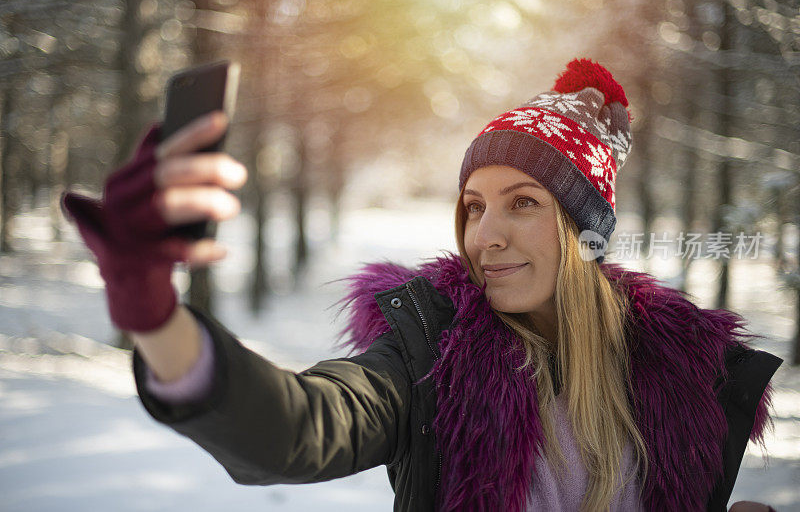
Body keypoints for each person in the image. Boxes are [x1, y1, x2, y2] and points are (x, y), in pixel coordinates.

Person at [61, 58, 783, 512]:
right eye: (473, 206)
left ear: (583, 229)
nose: (484, 235)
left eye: (522, 202)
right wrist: (154, 313)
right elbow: (301, 424)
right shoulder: (431, 349)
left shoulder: (684, 376)